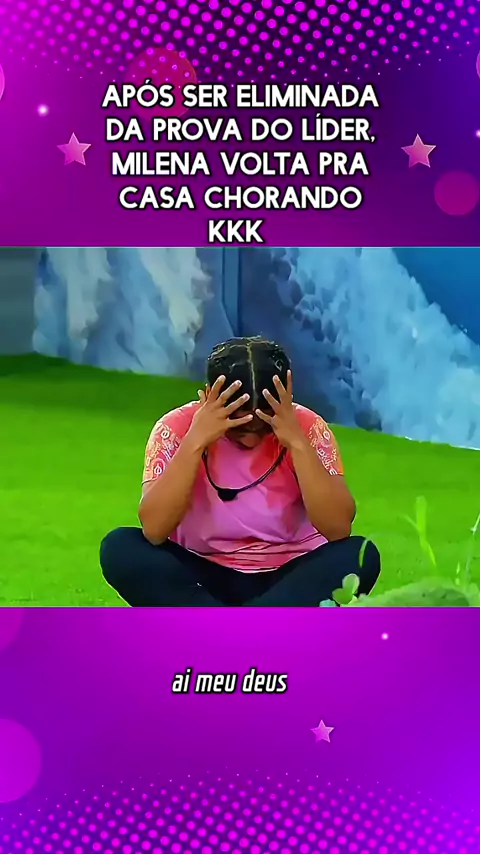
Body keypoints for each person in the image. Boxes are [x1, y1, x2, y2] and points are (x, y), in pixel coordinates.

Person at [100, 337, 381, 606]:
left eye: (262, 427)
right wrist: (195, 441)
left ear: (286, 396)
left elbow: (338, 529)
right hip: (203, 572)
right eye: (238, 427)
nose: (250, 439)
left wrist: (297, 442)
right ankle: (254, 627)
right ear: (209, 395)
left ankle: (219, 627)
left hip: (289, 576)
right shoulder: (175, 428)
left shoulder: (308, 427)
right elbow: (154, 530)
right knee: (121, 548)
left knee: (360, 555)